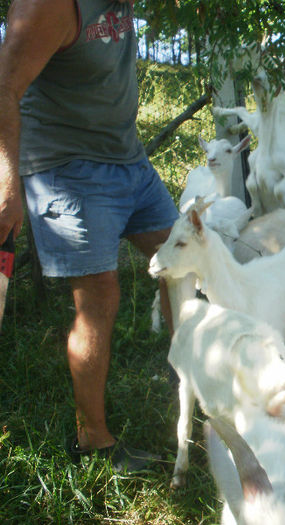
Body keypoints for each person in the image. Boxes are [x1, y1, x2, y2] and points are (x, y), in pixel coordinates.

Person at [0, 0, 178, 471]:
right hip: (67, 167)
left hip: (129, 161)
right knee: (100, 296)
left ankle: (196, 392)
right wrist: (6, 183)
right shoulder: (49, 5)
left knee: (186, 261)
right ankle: (93, 441)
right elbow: (4, 87)